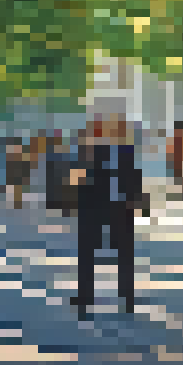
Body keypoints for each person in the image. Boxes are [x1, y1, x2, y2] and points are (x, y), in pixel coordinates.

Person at [71, 117, 148, 319]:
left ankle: (108, 297)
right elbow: (134, 177)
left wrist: (137, 201)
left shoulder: (110, 151)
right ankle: (120, 297)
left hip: (107, 207)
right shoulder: (118, 151)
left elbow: (133, 177)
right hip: (106, 207)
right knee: (108, 254)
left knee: (107, 254)